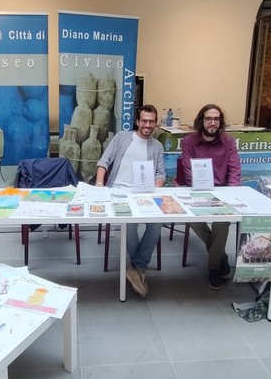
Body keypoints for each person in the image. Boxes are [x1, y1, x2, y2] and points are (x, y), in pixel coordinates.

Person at [96, 105, 165, 298]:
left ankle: (136, 267)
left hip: (143, 194)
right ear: (137, 121)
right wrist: (100, 185)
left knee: (157, 223)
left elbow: (160, 174)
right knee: (130, 224)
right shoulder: (121, 137)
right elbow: (103, 162)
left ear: (155, 123)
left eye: (151, 121)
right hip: (118, 191)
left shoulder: (157, 147)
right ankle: (138, 268)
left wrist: (155, 190)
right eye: (144, 121)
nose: (147, 125)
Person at [180, 104, 241, 290]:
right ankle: (221, 255)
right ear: (202, 121)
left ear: (220, 121)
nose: (212, 123)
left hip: (222, 193)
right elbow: (188, 172)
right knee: (192, 219)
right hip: (197, 191)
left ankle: (213, 268)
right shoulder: (189, 141)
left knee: (222, 223)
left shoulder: (229, 142)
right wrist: (203, 194)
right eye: (208, 119)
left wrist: (231, 194)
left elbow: (235, 171)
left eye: (216, 119)